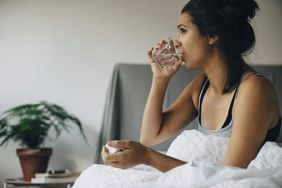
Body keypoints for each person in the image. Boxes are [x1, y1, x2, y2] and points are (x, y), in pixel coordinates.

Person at [101, 0, 281, 172]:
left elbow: (231, 174)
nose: (176, 41)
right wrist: (160, 79)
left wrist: (149, 157)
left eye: (183, 30)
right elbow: (150, 136)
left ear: (212, 35)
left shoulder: (254, 89)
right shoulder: (201, 86)